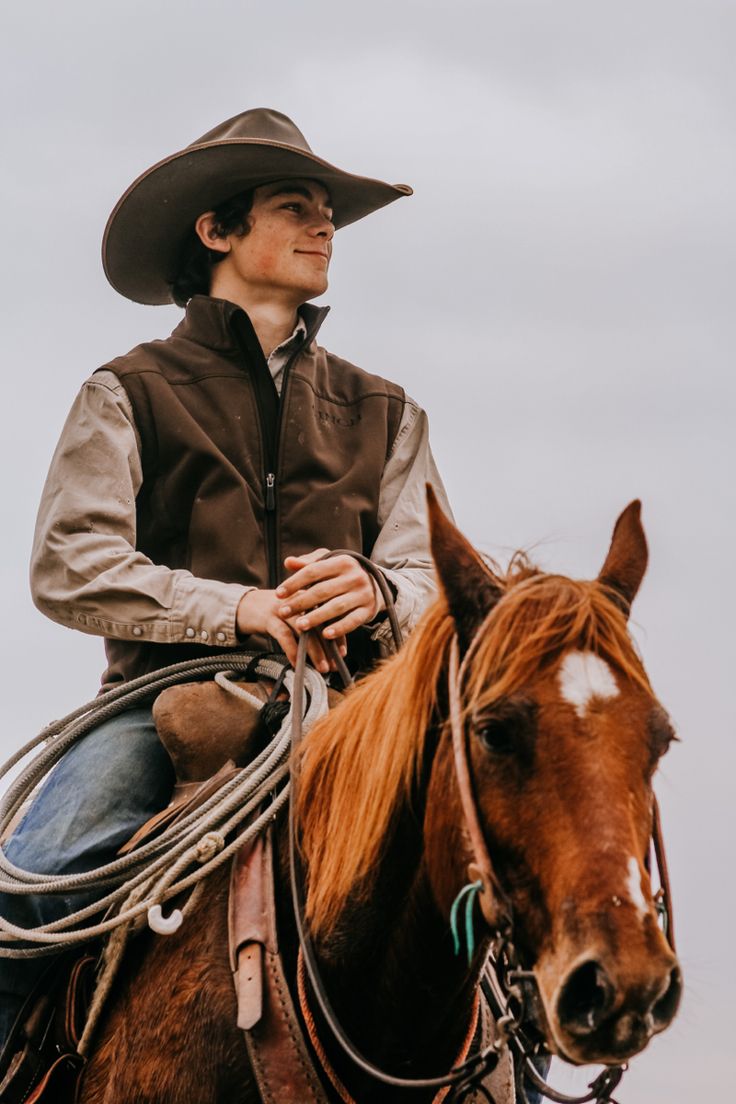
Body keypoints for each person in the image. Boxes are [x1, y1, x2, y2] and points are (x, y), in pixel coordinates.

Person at [0, 108, 451, 1051]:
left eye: (329, 211)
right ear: (217, 230)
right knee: (19, 905)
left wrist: (378, 590)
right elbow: (68, 563)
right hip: (158, 709)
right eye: (297, 206)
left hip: (353, 714)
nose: (326, 227)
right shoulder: (127, 390)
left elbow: (432, 578)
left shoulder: (388, 411)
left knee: (503, 902)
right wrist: (236, 608)